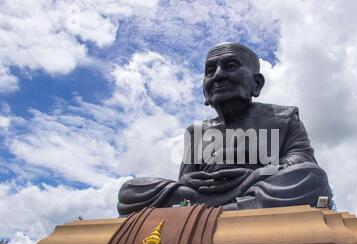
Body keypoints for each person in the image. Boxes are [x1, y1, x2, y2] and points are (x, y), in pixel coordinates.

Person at [117, 43, 333, 215]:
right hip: (206, 198)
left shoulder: (283, 117)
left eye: (230, 66)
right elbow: (185, 182)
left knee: (312, 178)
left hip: (255, 189)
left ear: (256, 84)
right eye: (210, 70)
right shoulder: (197, 132)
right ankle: (228, 209)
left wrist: (253, 176)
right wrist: (190, 183)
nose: (218, 75)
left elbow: (302, 160)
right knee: (130, 190)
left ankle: (206, 211)